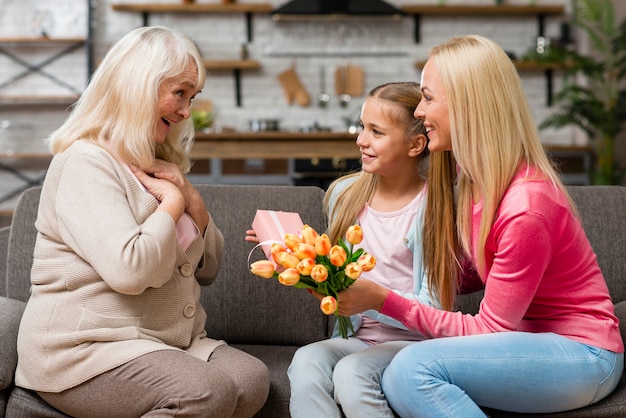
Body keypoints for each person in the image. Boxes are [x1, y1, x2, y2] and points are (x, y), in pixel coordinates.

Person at [334, 34, 625, 417]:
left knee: (411, 368)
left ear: (468, 104)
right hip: (530, 339)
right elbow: (471, 273)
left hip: (581, 353)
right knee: (403, 369)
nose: (419, 111)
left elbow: (490, 331)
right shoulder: (475, 181)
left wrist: (382, 299)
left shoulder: (527, 205)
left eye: (428, 97)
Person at [15, 26, 269, 418]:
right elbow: (131, 271)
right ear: (139, 86)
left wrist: (194, 202)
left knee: (250, 381)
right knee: (205, 391)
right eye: (179, 93)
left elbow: (208, 270)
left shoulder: (157, 159)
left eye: (192, 97)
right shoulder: (86, 163)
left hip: (165, 341)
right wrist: (172, 203)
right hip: (86, 347)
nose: (187, 111)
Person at [247, 81, 440, 417]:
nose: (360, 140)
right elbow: (336, 281)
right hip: (356, 337)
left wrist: (370, 298)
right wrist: (296, 266)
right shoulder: (345, 194)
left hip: (414, 343)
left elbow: (436, 309)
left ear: (415, 144)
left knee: (352, 374)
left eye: (376, 132)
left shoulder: (433, 209)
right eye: (361, 127)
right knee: (306, 360)